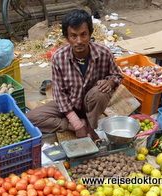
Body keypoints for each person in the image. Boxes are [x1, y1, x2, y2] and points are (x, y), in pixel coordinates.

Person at [26, 9, 124, 140]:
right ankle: (73, 126)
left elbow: (117, 75)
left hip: (90, 105)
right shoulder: (59, 58)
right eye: (74, 36)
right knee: (30, 118)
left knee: (100, 92)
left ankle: (90, 126)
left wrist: (110, 82)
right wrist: (76, 124)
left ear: (90, 34)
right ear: (67, 37)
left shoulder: (104, 53)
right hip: (68, 106)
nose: (79, 41)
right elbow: (59, 94)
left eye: (83, 35)